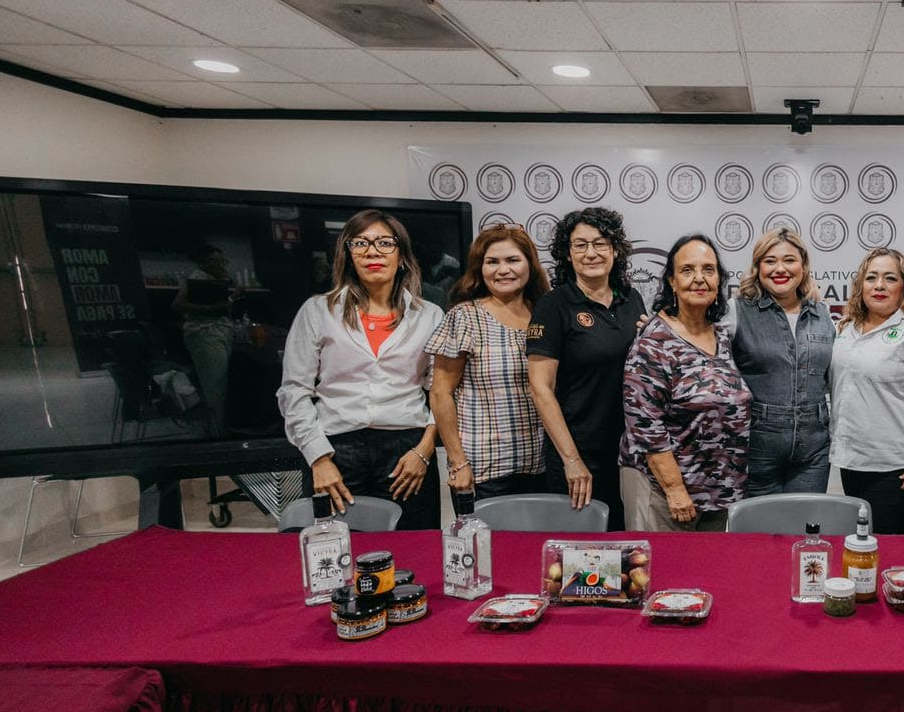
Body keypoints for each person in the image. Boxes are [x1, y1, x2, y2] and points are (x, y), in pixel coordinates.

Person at [277, 210, 444, 530]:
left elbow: (442, 391)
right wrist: (318, 459)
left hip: (406, 451)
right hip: (336, 448)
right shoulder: (318, 311)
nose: (372, 251)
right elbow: (294, 390)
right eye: (360, 243)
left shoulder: (429, 316)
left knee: (414, 548)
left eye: (384, 242)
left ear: (402, 256)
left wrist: (424, 451)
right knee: (338, 552)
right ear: (347, 254)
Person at [620, 234, 752, 531]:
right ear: (671, 281)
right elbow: (645, 425)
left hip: (718, 491)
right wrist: (675, 489)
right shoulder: (654, 341)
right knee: (662, 574)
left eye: (708, 269)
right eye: (688, 270)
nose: (699, 279)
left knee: (707, 575)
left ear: (719, 279)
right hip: (665, 492)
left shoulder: (720, 335)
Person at [529, 207, 647, 529]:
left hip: (626, 455)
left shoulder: (632, 299)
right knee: (578, 558)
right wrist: (571, 460)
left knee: (625, 552)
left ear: (615, 250)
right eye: (580, 245)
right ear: (567, 254)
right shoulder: (553, 306)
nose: (591, 253)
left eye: (600, 243)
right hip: (578, 455)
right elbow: (540, 388)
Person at [829, 247, 904, 534]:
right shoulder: (846, 329)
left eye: (890, 278)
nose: (879, 285)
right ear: (861, 285)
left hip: (896, 469)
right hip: (851, 462)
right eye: (871, 278)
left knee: (887, 547)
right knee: (860, 544)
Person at [425, 225, 550, 501]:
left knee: (535, 545)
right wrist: (458, 462)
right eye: (492, 262)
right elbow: (440, 393)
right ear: (479, 269)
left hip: (540, 466)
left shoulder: (545, 314)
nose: (502, 270)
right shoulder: (465, 317)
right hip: (483, 470)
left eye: (512, 260)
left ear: (530, 264)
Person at [730, 227, 834, 496]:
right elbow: (693, 337)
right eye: (770, 260)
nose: (780, 269)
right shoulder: (736, 311)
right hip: (757, 447)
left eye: (789, 260)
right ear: (758, 267)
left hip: (814, 450)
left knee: (806, 528)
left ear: (803, 265)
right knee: (758, 533)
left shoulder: (822, 314)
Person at [172, 242, 240, 434]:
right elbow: (177, 305)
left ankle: (217, 428)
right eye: (213, 260)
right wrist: (211, 308)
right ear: (203, 263)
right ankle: (218, 434)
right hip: (205, 334)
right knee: (216, 387)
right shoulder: (198, 279)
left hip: (218, 332)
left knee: (219, 383)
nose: (219, 264)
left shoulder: (219, 278)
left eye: (221, 260)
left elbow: (223, 306)